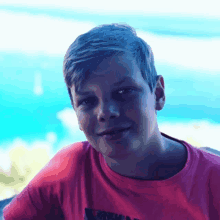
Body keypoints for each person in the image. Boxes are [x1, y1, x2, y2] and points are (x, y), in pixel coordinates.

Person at [3, 23, 220, 220]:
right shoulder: (69, 170)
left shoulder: (212, 183)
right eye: (87, 101)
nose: (105, 112)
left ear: (158, 93)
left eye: (124, 92)